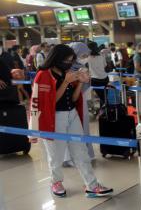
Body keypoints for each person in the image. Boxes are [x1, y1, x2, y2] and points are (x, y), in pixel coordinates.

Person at [29, 44, 113, 197]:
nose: (69, 63)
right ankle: (56, 181)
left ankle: (92, 185)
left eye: (71, 60)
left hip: (72, 114)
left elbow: (74, 99)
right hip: (54, 117)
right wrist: (66, 82)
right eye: (67, 60)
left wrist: (80, 81)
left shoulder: (67, 72)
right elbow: (49, 103)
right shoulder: (43, 75)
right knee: (56, 154)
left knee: (80, 150)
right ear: (57, 58)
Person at [63, 42, 95, 167]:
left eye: (87, 55)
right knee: (71, 131)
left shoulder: (83, 67)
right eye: (83, 55)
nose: (85, 57)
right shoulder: (65, 69)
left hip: (81, 103)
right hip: (68, 105)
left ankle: (85, 154)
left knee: (84, 128)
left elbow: (85, 88)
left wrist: (85, 79)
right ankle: (71, 157)